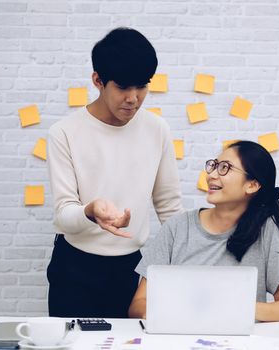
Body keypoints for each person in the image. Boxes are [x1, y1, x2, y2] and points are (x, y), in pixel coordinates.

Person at [46, 27, 183, 318]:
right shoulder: (64, 133)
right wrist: (90, 210)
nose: (133, 98)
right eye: (122, 87)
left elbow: (169, 206)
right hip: (74, 269)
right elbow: (63, 214)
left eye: (142, 86)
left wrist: (188, 262)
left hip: (131, 268)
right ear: (98, 80)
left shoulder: (157, 129)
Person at [128, 140, 279, 322]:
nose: (211, 175)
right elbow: (138, 304)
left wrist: (234, 308)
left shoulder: (268, 231)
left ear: (252, 185)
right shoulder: (177, 227)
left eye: (225, 168)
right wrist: (176, 312)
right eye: (214, 166)